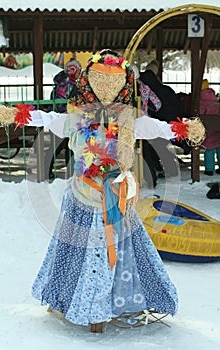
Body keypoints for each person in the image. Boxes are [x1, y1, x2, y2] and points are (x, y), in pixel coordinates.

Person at [30, 49, 178, 332]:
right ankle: (70, 298)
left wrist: (181, 131)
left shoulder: (127, 120)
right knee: (72, 250)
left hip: (116, 197)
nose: (107, 89)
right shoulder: (77, 117)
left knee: (122, 249)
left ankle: (113, 303)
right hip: (82, 197)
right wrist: (19, 114)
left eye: (114, 83)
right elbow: (48, 119)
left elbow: (155, 128)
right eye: (101, 82)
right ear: (88, 82)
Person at [139, 69, 184, 184]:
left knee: (157, 147)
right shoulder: (165, 89)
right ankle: (165, 170)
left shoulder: (148, 90)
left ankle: (167, 171)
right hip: (174, 121)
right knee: (162, 147)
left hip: (160, 122)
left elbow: (157, 107)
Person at [45, 58, 82, 179]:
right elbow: (62, 104)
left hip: (63, 118)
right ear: (73, 70)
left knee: (66, 146)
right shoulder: (67, 84)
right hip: (62, 118)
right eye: (78, 70)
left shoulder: (66, 82)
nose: (79, 73)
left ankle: (68, 173)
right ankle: (49, 172)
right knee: (61, 146)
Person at [200, 79, 220, 176]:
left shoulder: (201, 101)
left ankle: (209, 169)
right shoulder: (215, 100)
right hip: (217, 129)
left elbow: (200, 115)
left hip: (208, 130)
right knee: (219, 148)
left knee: (209, 150)